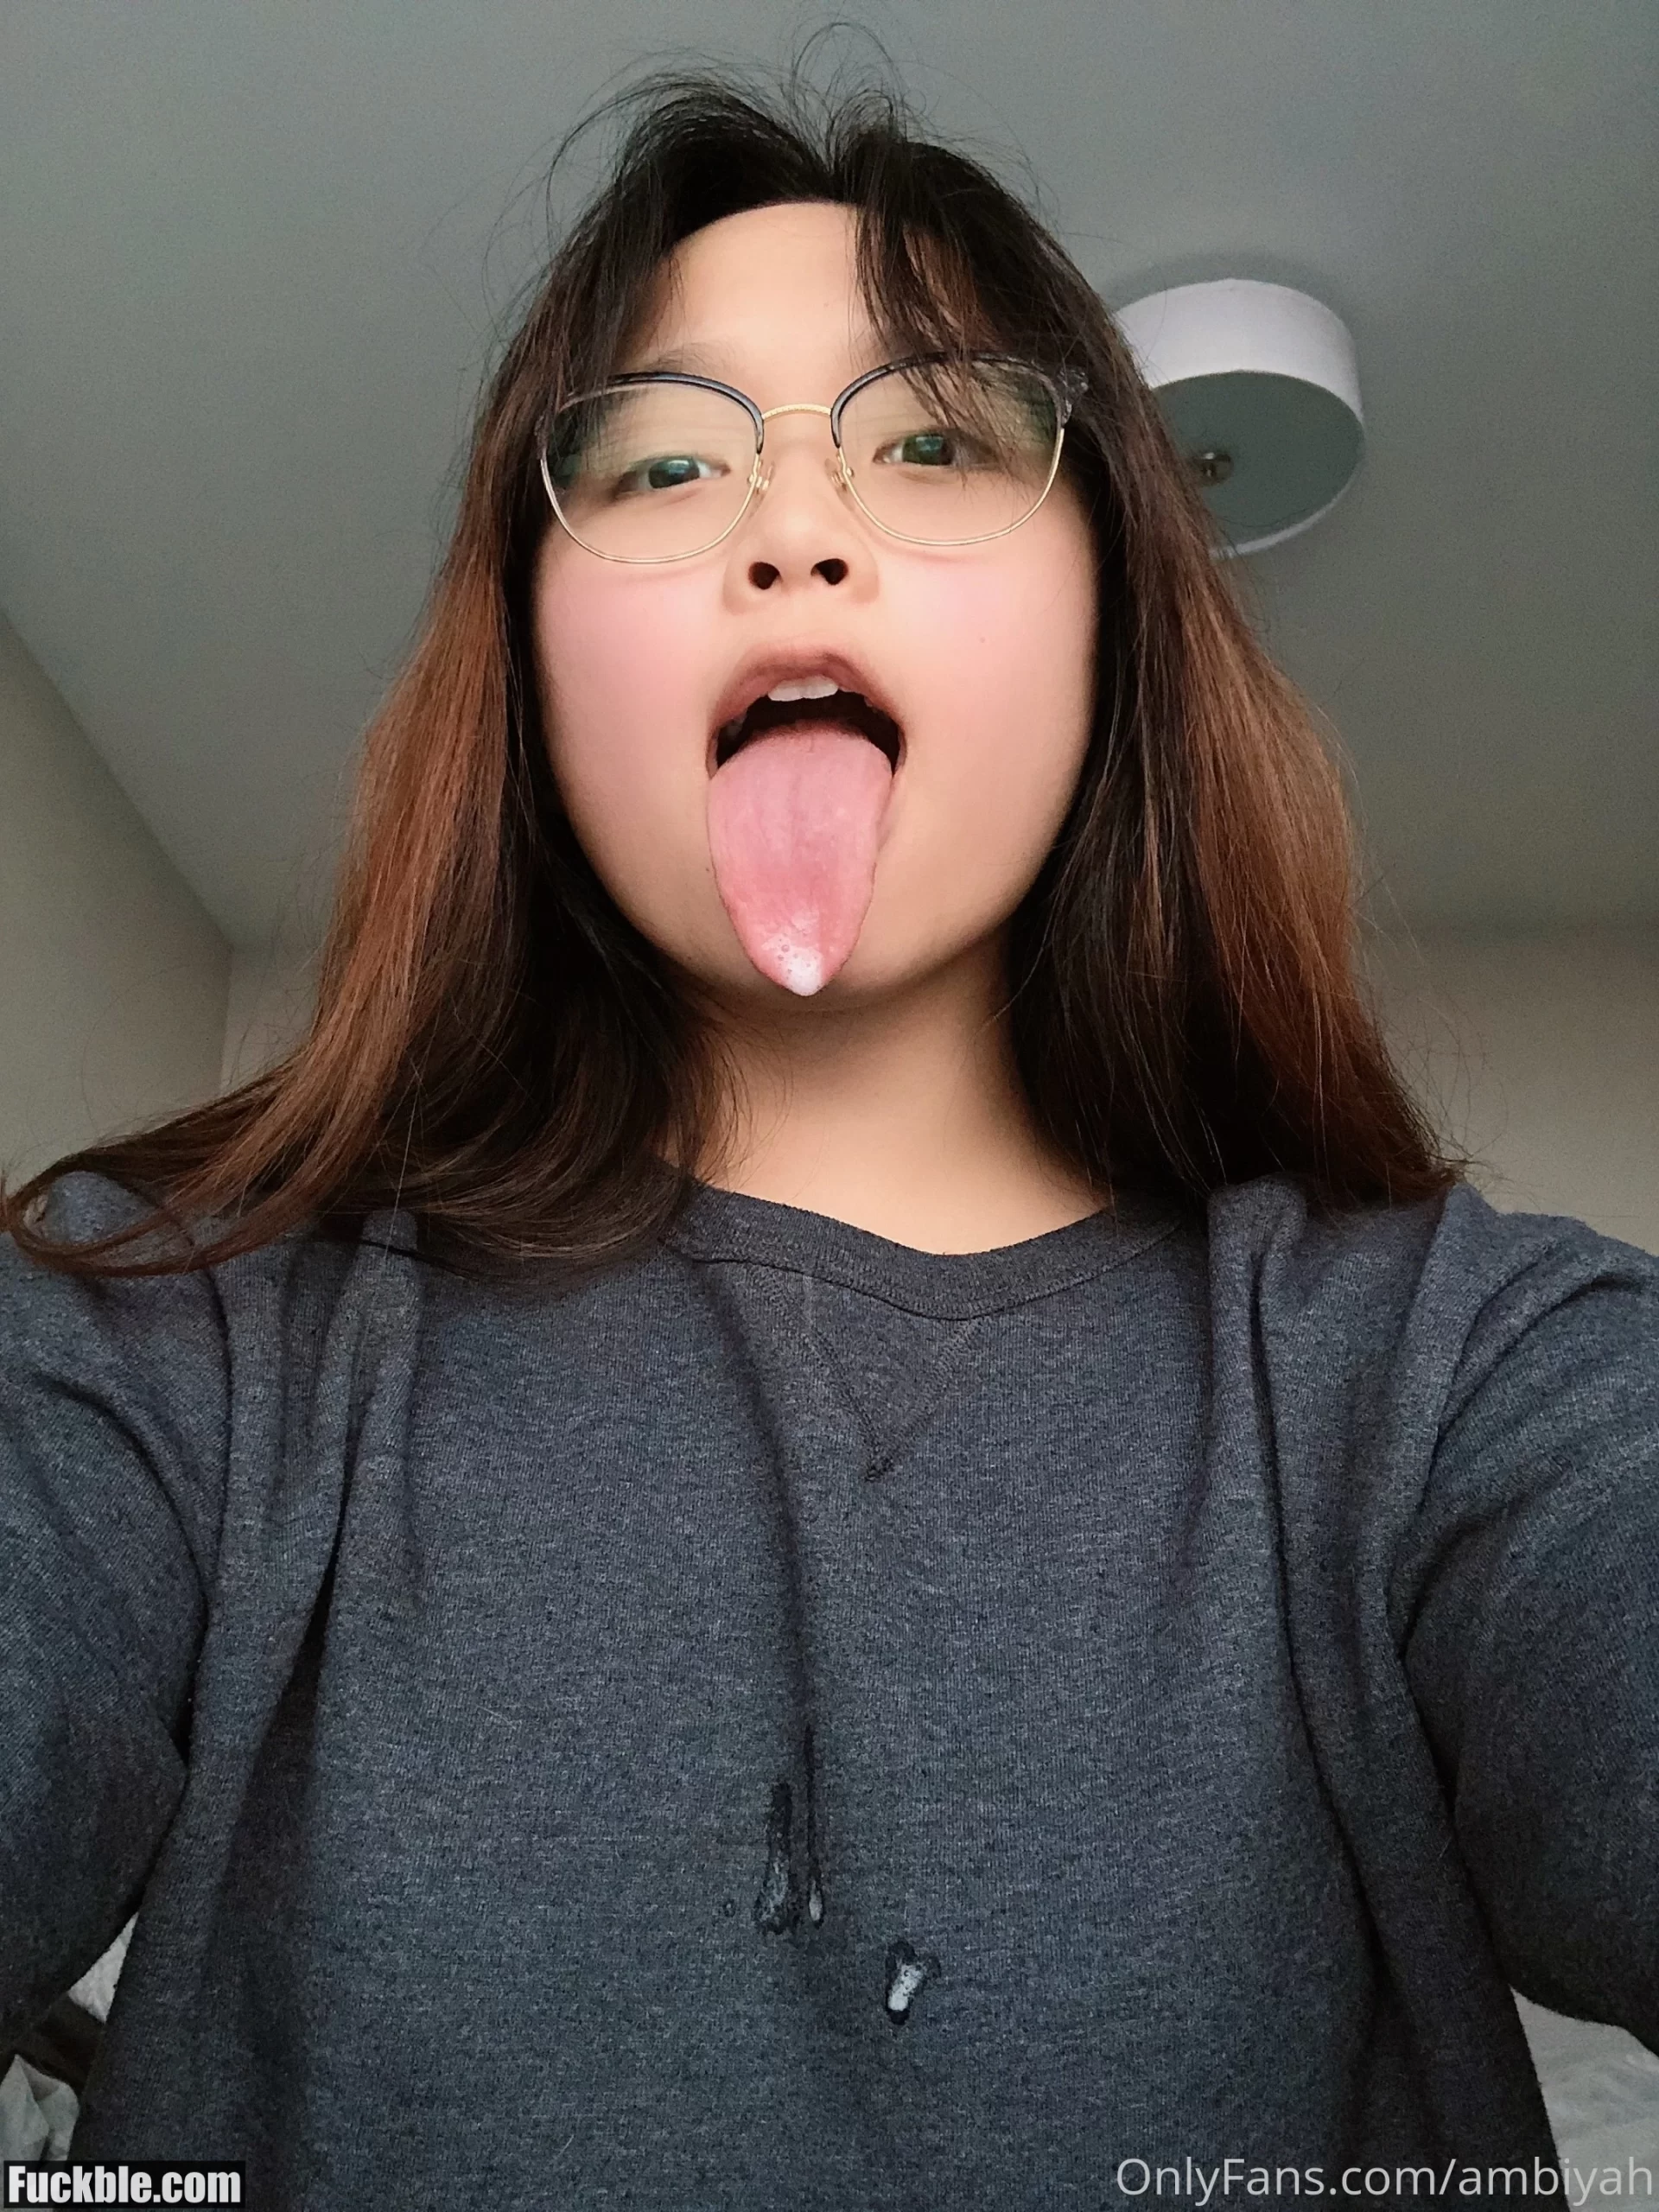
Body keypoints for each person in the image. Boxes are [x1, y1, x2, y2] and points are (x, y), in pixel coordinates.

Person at [1, 65, 1655, 2212]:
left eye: (937, 438)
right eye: (666, 458)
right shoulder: (185, 1330)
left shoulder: (1441, 1372)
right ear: (529, 659)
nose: (796, 526)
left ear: (1115, 617)